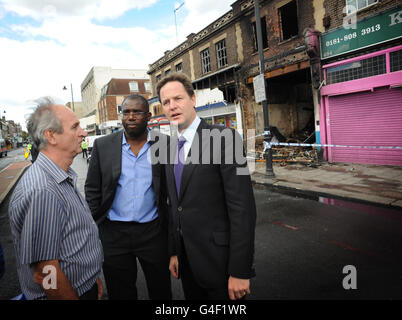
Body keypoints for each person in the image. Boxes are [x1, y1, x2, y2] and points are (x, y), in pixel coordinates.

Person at [156, 73, 256, 300]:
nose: (172, 106)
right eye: (166, 102)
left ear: (193, 99)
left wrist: (240, 270)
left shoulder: (226, 138)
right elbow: (174, 206)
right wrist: (174, 251)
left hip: (221, 265)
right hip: (187, 264)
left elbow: (243, 209)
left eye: (178, 98)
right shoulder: (168, 147)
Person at [8, 97, 104, 300]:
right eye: (75, 127)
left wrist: (90, 279)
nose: (84, 132)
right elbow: (45, 272)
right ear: (51, 136)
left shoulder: (59, 176)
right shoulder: (42, 191)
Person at [85, 94, 172, 300]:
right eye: (126, 112)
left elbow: (172, 188)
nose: (131, 117)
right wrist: (95, 227)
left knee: (160, 289)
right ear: (121, 116)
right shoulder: (103, 145)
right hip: (114, 234)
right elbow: (92, 189)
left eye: (137, 112)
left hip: (152, 232)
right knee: (121, 292)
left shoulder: (164, 144)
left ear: (148, 116)